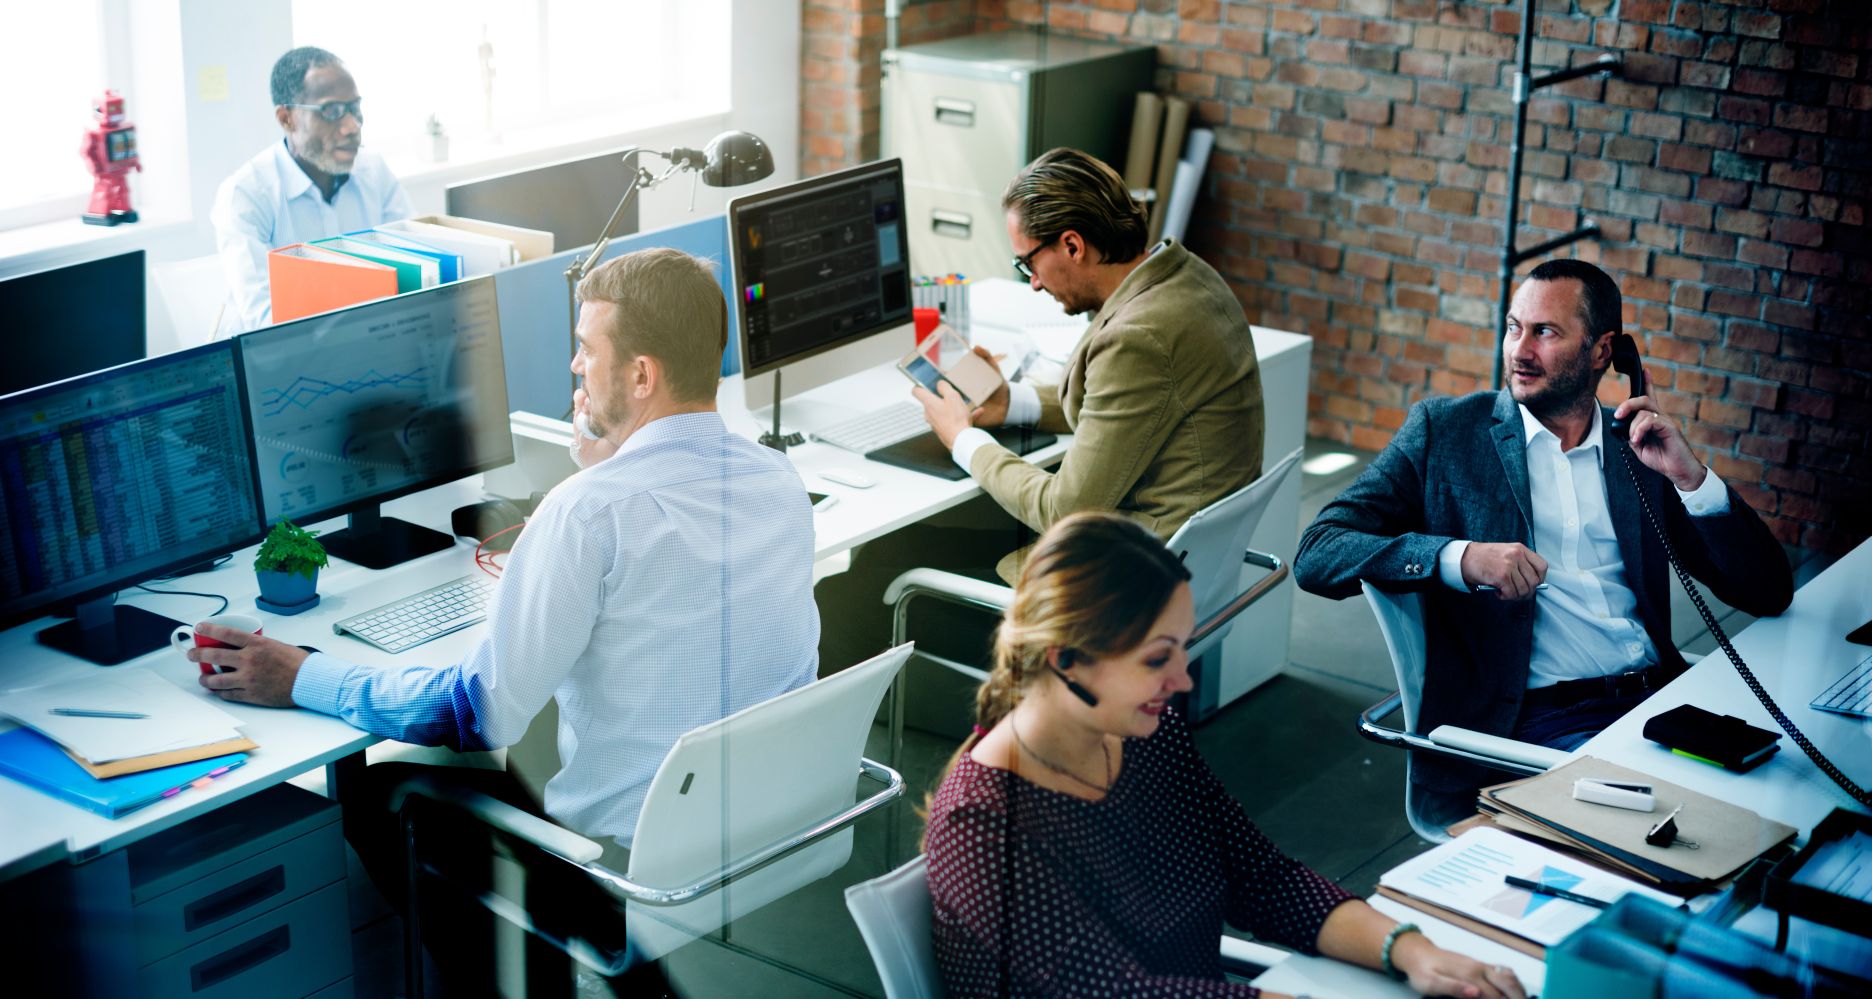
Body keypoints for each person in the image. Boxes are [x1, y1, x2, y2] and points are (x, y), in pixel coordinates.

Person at [186, 247, 818, 994]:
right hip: (763, 835)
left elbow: (475, 710)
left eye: (588, 350)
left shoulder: (590, 513)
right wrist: (608, 468)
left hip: (624, 865)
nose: (577, 368)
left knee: (382, 786)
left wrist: (304, 674)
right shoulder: (778, 479)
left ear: (642, 375)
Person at [924, 512, 1526, 998]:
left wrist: (1414, 951)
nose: (1182, 680)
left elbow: (1264, 879)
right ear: (1066, 660)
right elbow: (1118, 992)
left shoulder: (1145, 736)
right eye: (1157, 658)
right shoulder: (982, 824)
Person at [1295, 258, 1792, 817]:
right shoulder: (1447, 433)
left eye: (1545, 332)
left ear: (1604, 353)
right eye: (1514, 328)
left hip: (1662, 701)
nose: (1520, 351)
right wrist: (1459, 559)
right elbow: (1318, 551)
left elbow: (1767, 591)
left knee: (1784, 804)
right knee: (1688, 832)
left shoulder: (1638, 450)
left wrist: (1691, 478)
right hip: (1539, 720)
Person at [914, 146, 1265, 584]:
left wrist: (962, 439)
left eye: (1028, 264)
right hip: (1179, 554)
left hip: (1118, 586)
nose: (1035, 283)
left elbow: (1064, 509)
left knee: (871, 573)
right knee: (924, 541)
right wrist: (1011, 402)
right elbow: (1123, 405)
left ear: (1072, 245)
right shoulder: (1188, 277)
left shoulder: (1137, 337)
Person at [212, 46, 413, 336]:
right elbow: (264, 322)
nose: (351, 127)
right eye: (331, 111)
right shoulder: (246, 195)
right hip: (278, 363)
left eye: (355, 108)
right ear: (286, 118)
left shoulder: (374, 173)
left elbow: (420, 273)